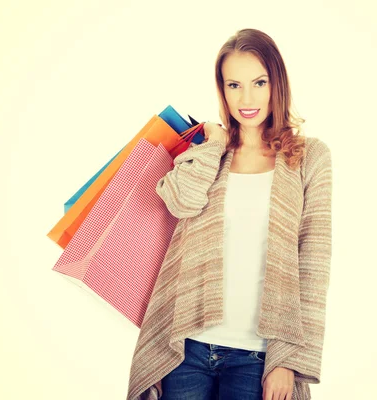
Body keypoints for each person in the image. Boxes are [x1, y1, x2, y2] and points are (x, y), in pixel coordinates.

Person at [126, 28, 332, 400]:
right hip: (185, 350)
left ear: (277, 84)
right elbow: (181, 202)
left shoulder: (309, 157)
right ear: (222, 89)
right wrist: (215, 145)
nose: (247, 98)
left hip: (257, 356)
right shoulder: (208, 151)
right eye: (234, 85)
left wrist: (287, 361)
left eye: (258, 82)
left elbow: (314, 266)